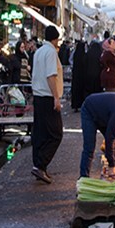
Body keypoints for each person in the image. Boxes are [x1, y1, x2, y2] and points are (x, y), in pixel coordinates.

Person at [30, 25, 64, 184]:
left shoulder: (38, 51)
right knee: (56, 133)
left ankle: (38, 163)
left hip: (38, 96)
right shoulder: (50, 52)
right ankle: (41, 165)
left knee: (40, 132)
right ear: (55, 39)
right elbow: (51, 76)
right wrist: (56, 98)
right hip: (47, 97)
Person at [70, 40, 87, 111]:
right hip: (83, 75)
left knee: (75, 90)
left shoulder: (75, 53)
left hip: (75, 74)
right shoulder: (84, 54)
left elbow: (70, 60)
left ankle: (75, 106)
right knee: (81, 90)